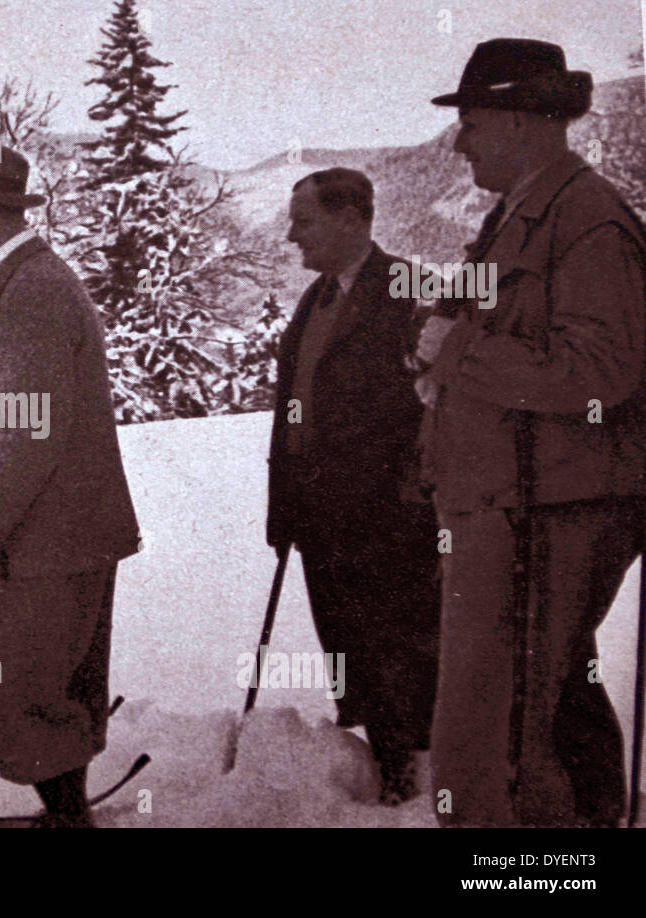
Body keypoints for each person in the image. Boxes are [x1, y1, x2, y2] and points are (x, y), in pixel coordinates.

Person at [419, 38, 646, 826]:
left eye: (473, 123)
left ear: (520, 122)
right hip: (509, 504)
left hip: (547, 511)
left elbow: (602, 371)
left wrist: (461, 352)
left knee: (501, 730)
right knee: (537, 707)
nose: (459, 141)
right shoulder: (518, 217)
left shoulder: (587, 220)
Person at [0, 140, 141, 827]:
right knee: (50, 689)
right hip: (63, 536)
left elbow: (32, 431)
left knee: (25, 695)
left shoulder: (32, 291)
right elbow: (6, 410)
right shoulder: (26, 281)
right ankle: (67, 814)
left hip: (47, 540)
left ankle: (69, 821)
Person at [267, 168, 440, 804]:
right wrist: (284, 503)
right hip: (322, 520)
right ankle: (388, 782)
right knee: (353, 654)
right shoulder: (317, 299)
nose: (292, 236)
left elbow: (434, 406)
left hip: (387, 522)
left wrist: (406, 496)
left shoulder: (410, 289)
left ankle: (417, 790)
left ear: (351, 218)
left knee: (402, 657)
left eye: (304, 220)